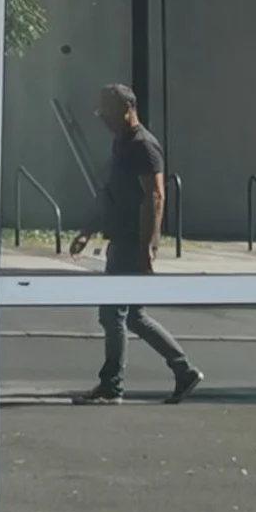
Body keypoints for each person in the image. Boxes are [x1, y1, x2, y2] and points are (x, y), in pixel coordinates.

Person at [70, 83, 202, 404]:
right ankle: (184, 371)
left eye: (108, 113)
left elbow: (155, 197)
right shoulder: (122, 143)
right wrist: (87, 231)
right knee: (133, 316)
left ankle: (111, 386)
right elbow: (111, 193)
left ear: (128, 110)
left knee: (113, 314)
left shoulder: (143, 145)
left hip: (132, 242)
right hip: (122, 238)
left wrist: (147, 248)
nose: (104, 119)